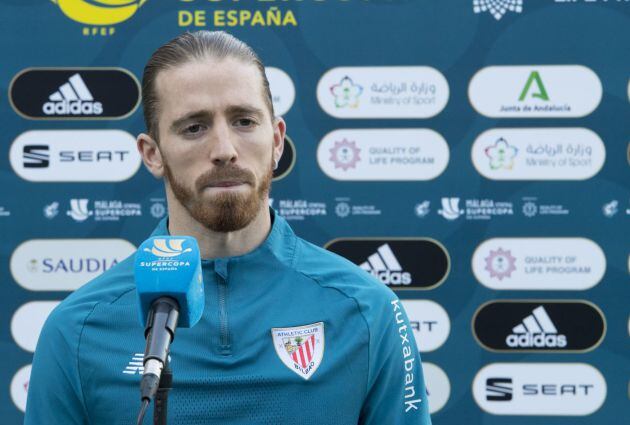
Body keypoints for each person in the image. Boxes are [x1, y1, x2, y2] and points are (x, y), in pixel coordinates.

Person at [25, 30, 432, 425]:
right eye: (194, 127)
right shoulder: (76, 330)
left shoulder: (368, 310)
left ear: (276, 141)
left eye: (243, 121)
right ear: (152, 154)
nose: (224, 150)